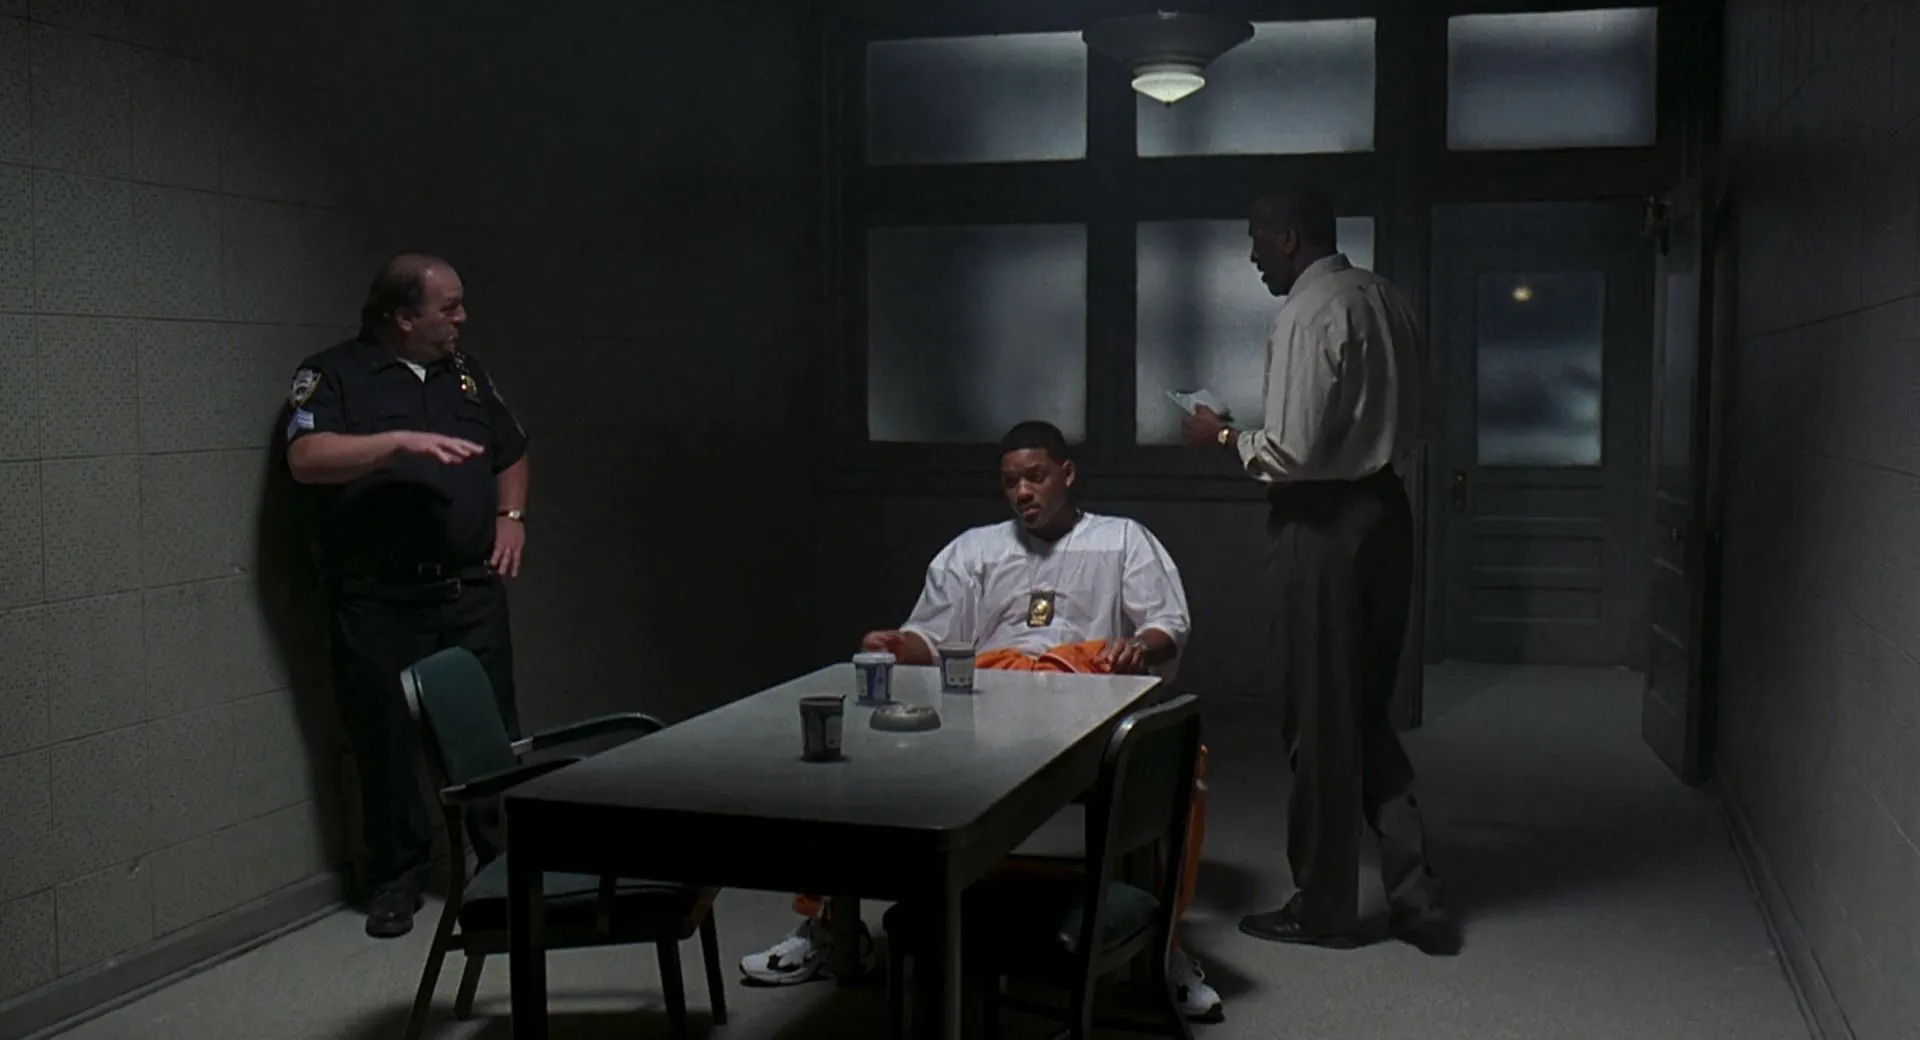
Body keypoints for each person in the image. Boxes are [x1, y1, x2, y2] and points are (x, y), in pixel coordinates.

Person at [739, 421, 1224, 1021]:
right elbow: (929, 637)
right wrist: (896, 644)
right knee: (850, 764)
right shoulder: (975, 550)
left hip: (1086, 708)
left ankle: (1162, 949)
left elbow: (1166, 625)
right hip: (986, 709)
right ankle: (829, 927)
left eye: (1035, 477)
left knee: (1178, 768)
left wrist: (1138, 647)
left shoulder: (1122, 540)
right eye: (1010, 482)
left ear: (1067, 473)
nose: (1023, 492)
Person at [1180, 186, 1460, 957]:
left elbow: (1293, 453)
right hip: (1387, 512)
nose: (1251, 255)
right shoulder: (1387, 300)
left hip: (1323, 524)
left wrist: (1222, 435)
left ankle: (1324, 905)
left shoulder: (1308, 314)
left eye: (1257, 238)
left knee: (1318, 720)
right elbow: (1424, 418)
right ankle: (1415, 894)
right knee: (1364, 710)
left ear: (1289, 236)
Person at [283, 253, 531, 939]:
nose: (462, 318)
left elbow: (511, 450)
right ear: (402, 316)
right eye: (448, 307)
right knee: (385, 739)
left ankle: (501, 865)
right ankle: (398, 875)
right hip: (381, 601)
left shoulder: (467, 375)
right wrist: (393, 445)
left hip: (469, 593)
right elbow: (305, 460)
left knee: (491, 735)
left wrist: (511, 517)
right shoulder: (335, 375)